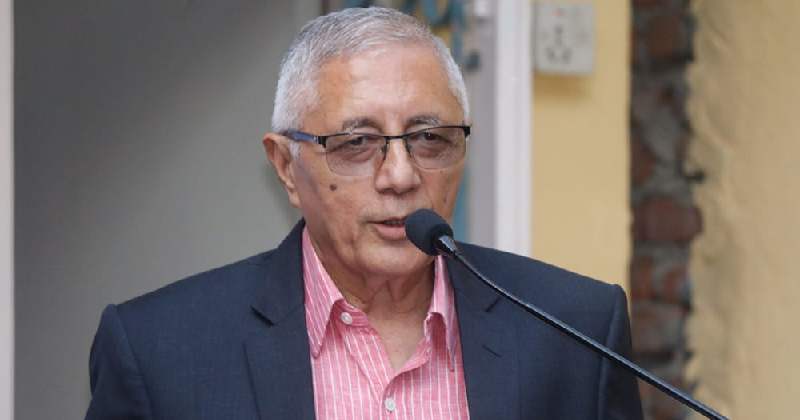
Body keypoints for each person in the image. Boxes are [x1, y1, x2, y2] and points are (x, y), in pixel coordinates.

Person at [85, 7, 642, 420]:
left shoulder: (576, 333)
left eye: (430, 139)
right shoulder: (157, 352)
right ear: (285, 167)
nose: (400, 176)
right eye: (356, 143)